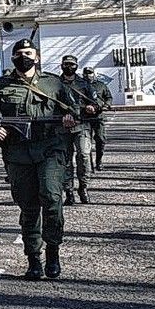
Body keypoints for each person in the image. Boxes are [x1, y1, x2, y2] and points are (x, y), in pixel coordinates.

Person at [0, 39, 78, 280]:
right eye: (19, 54)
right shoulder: (1, 86)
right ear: (13, 58)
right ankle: (33, 259)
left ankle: (53, 252)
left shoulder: (53, 84)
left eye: (29, 53)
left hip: (50, 149)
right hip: (18, 154)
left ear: (37, 57)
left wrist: (69, 118)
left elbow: (74, 109)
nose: (24, 57)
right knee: (29, 207)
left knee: (52, 199)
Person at [58, 56, 103, 204]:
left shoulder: (84, 84)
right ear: (61, 65)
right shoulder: (55, 84)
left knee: (84, 155)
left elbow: (97, 104)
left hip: (82, 125)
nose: (69, 67)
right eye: (66, 64)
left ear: (76, 66)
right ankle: (69, 191)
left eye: (72, 64)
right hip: (62, 128)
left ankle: (83, 187)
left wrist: (93, 108)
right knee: (65, 161)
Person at [82, 67, 113, 171]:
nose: (87, 75)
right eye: (86, 73)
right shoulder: (79, 86)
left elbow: (108, 97)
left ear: (93, 74)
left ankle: (99, 161)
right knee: (86, 143)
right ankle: (87, 165)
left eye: (90, 73)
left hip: (98, 117)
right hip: (84, 118)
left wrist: (106, 105)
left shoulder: (101, 85)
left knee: (100, 139)